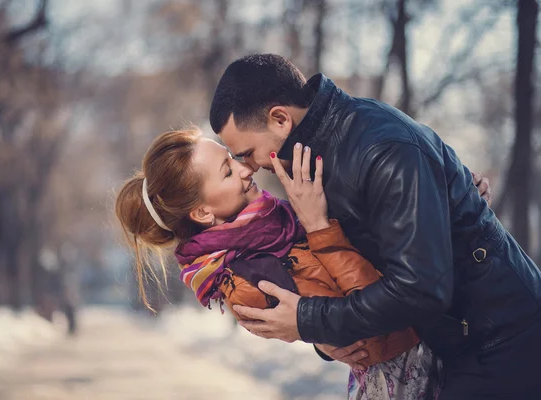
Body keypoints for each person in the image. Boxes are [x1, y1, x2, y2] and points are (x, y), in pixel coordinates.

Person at [208, 53, 541, 399]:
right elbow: (352, 278)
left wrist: (308, 321)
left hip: (504, 342)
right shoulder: (311, 168)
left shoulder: (382, 148)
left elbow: (420, 289)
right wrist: (326, 340)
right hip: (453, 345)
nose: (250, 167)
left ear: (280, 119)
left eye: (247, 153)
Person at [115, 128, 490, 399]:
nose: (246, 169)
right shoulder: (243, 279)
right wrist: (318, 227)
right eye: (228, 172)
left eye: (231, 158)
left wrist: (443, 197)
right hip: (407, 380)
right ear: (201, 211)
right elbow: (371, 317)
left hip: (443, 348)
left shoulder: (277, 219)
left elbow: (375, 242)